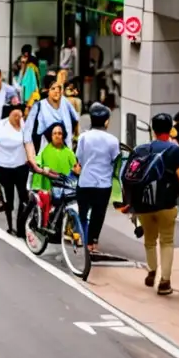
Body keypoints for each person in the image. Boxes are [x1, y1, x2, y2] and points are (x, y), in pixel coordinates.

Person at [125, 112, 179, 295]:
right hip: (166, 204)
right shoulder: (174, 151)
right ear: (170, 129)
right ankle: (165, 282)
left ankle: (152, 271)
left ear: (153, 129)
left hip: (144, 204)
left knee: (149, 241)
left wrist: (132, 206)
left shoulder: (141, 149)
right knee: (167, 242)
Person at [75, 102, 121, 252]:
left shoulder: (83, 137)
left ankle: (83, 236)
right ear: (106, 121)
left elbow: (79, 159)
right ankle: (92, 243)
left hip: (85, 181)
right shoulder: (113, 141)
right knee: (98, 214)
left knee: (83, 213)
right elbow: (115, 161)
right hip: (103, 184)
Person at [0, 102, 37, 236]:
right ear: (9, 114)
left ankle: (21, 226)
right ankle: (10, 225)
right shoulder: (0, 126)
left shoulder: (24, 126)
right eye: (15, 115)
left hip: (21, 166)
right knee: (9, 199)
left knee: (23, 196)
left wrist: (32, 159)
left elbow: (28, 143)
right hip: (3, 167)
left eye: (20, 115)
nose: (18, 118)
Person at [23, 75, 80, 153]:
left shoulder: (37, 99)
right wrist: (75, 136)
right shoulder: (63, 100)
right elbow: (76, 119)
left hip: (46, 150)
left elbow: (28, 123)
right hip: (63, 149)